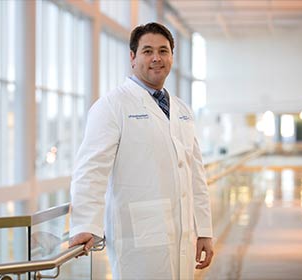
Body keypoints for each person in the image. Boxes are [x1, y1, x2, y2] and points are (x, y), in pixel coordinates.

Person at [69, 22, 213, 279]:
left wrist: (204, 229)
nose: (156, 58)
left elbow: (195, 173)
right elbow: (91, 170)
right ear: (133, 57)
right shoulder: (112, 106)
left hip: (182, 235)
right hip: (137, 236)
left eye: (163, 51)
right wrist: (84, 225)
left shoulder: (181, 110)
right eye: (147, 51)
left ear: (172, 56)